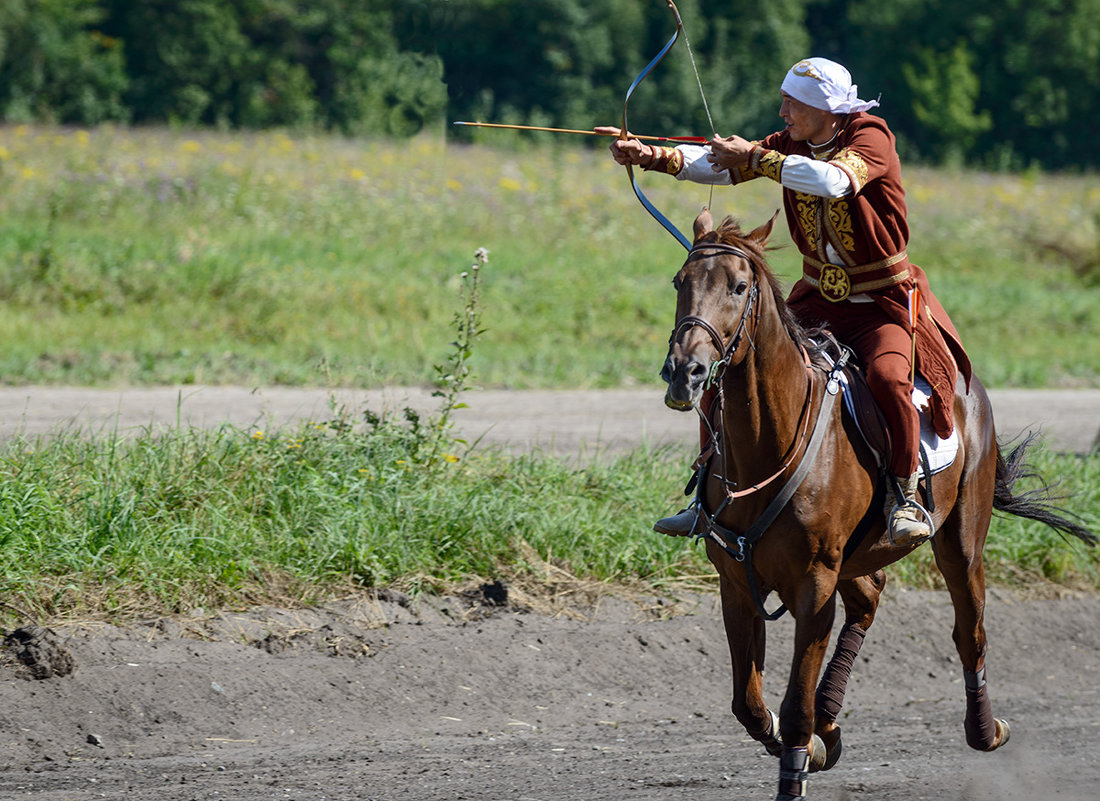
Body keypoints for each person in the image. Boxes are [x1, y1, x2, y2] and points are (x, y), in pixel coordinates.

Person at [600, 57, 972, 546]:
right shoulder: (792, 144)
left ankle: (903, 497)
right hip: (816, 299)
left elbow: (833, 180)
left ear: (824, 108)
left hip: (880, 302)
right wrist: (648, 155)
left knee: (887, 379)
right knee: (729, 367)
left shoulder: (870, 137)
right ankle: (705, 498)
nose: (781, 113)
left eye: (791, 103)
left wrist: (754, 159)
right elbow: (717, 165)